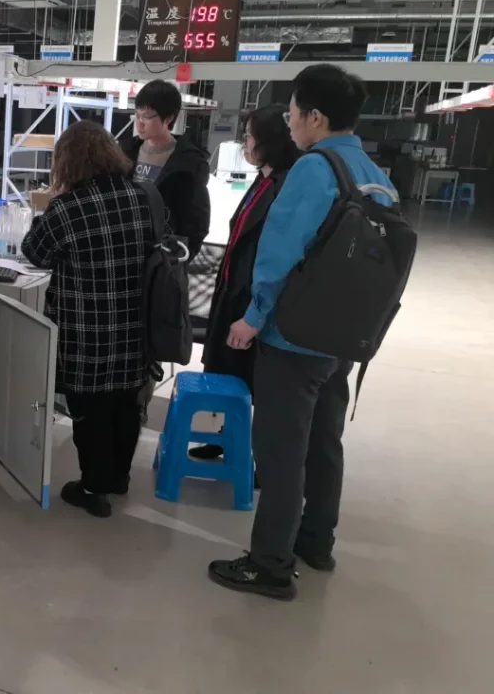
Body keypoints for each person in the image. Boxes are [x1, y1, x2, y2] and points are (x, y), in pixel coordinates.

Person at [208, 64, 395, 600]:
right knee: (323, 442)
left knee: (280, 452)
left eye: (292, 111)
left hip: (294, 338)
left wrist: (253, 317)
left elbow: (279, 254)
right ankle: (316, 542)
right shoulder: (373, 174)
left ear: (315, 116)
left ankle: (270, 563)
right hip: (342, 338)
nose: (288, 121)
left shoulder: (315, 169)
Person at [22, 120, 157, 519]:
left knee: (91, 409)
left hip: (88, 331)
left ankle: (94, 489)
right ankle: (118, 478)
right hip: (135, 326)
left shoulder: (68, 208)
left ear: (68, 163)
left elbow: (35, 252)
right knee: (127, 403)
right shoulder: (142, 196)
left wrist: (52, 204)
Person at [189, 105, 301, 462]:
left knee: (254, 382)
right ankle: (220, 439)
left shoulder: (286, 185)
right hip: (233, 292)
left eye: (251, 137)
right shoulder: (264, 179)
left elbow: (277, 255)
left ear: (271, 142)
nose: (245, 144)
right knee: (225, 373)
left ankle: (259, 461)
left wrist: (253, 311)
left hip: (254, 300)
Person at [120, 79, 211, 257]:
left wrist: (178, 258)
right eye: (137, 115)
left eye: (147, 117)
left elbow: (197, 221)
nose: (139, 123)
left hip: (164, 255)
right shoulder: (124, 152)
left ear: (169, 118)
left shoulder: (188, 162)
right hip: (125, 249)